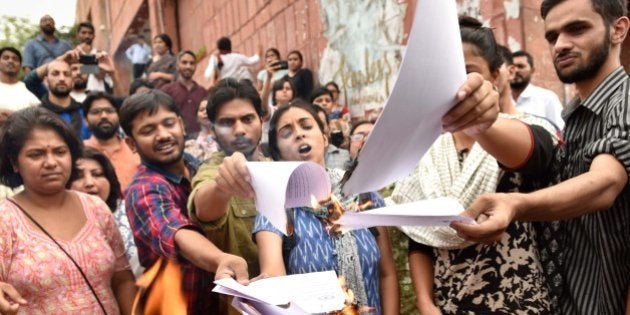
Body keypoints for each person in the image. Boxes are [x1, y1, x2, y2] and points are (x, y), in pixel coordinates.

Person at [451, 1, 630, 313]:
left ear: (618, 30)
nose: (561, 44)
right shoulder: (574, 116)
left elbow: (605, 183)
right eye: (551, 36)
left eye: (577, 29)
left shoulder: (624, 98)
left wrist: (514, 205)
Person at [393, 16, 556, 314]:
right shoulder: (425, 151)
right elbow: (419, 237)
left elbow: (534, 153)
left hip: (517, 302)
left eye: (468, 73)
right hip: (448, 304)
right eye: (443, 75)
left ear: (495, 76)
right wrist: (426, 302)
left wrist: (483, 124)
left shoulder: (525, 128)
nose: (458, 86)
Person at [253, 101, 400, 314]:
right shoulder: (274, 208)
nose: (299, 135)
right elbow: (275, 280)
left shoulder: (363, 194)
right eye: (286, 133)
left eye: (306, 126)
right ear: (277, 154)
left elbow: (387, 274)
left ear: (324, 137)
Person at [120, 90, 249, 313]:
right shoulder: (143, 188)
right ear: (132, 143)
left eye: (168, 123)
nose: (162, 135)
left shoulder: (200, 168)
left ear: (180, 124)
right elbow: (174, 230)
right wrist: (219, 259)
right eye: (148, 130)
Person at [0, 107, 135, 314]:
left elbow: (123, 280)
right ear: (14, 162)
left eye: (60, 152)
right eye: (36, 155)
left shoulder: (96, 207)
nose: (51, 162)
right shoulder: (5, 220)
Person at [188, 79, 266, 288]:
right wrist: (222, 187)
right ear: (213, 130)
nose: (239, 129)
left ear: (262, 121)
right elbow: (203, 207)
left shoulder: (277, 166)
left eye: (247, 119)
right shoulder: (211, 171)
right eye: (227, 122)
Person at [69, 146, 144, 277]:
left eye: (97, 174)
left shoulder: (134, 211)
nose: (89, 183)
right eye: (78, 177)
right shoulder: (61, 227)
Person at [23, 51, 92, 139]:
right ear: (46, 80)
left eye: (67, 74)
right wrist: (57, 61)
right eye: (55, 74)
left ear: (72, 81)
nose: (62, 78)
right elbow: (30, 81)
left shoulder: (85, 112)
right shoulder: (37, 115)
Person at [82, 91, 141, 190]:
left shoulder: (135, 149)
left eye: (109, 111)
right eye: (96, 112)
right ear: (85, 120)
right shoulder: (79, 151)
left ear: (119, 116)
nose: (104, 116)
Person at [510, 50, 565, 129]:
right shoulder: (500, 99)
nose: (516, 70)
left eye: (520, 66)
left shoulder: (547, 98)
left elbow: (560, 131)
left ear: (532, 70)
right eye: (512, 67)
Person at [161, 50, 207, 135]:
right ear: (177, 65)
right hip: (177, 138)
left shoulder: (202, 91)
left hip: (200, 138)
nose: (188, 66)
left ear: (196, 66)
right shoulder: (167, 90)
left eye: (192, 63)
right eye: (184, 62)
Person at [0, 46, 40, 118]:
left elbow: (37, 118)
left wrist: (7, 114)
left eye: (15, 59)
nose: (10, 61)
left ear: (20, 66)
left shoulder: (28, 89)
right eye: (6, 58)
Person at [312, 103, 351, 169]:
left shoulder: (345, 155)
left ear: (328, 128)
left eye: (321, 125)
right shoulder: (293, 159)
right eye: (308, 126)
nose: (317, 130)